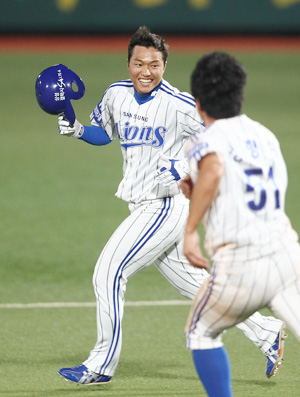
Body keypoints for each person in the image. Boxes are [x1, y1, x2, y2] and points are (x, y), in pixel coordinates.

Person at [56, 27, 285, 386]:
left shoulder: (179, 104)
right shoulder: (116, 94)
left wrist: (182, 165)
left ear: (165, 65)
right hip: (142, 206)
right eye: (138, 63)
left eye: (154, 65)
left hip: (165, 206)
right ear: (128, 63)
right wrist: (80, 130)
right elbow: (105, 130)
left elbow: (218, 135)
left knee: (109, 273)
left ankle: (101, 364)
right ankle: (266, 330)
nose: (146, 71)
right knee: (193, 282)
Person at [181, 51, 300, 396]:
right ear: (240, 94)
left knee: (200, 332)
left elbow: (215, 170)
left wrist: (190, 232)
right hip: (287, 257)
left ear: (198, 101)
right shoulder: (265, 135)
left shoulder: (203, 141)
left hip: (241, 269)